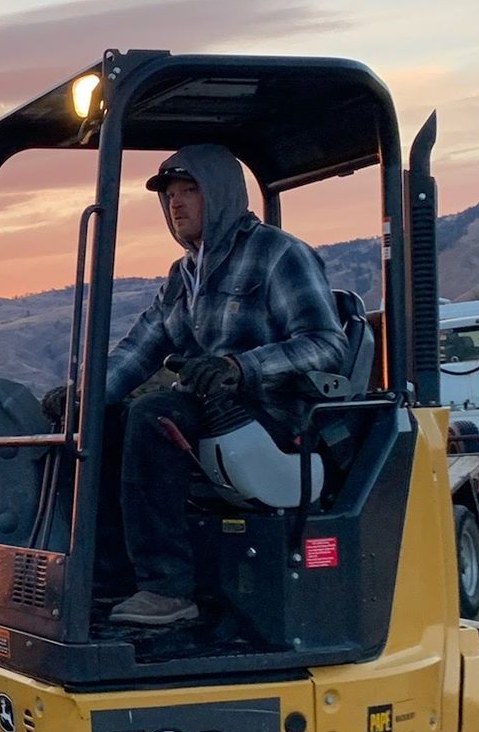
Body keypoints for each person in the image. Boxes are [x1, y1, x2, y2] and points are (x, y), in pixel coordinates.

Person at [56, 144, 347, 627]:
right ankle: (108, 579)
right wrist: (82, 398)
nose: (176, 204)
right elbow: (138, 350)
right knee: (107, 419)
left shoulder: (280, 254)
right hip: (212, 412)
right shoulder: (183, 276)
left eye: (190, 191)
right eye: (169, 195)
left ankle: (167, 590)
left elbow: (327, 344)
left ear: (222, 194)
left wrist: (242, 367)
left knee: (154, 414)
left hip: (276, 417)